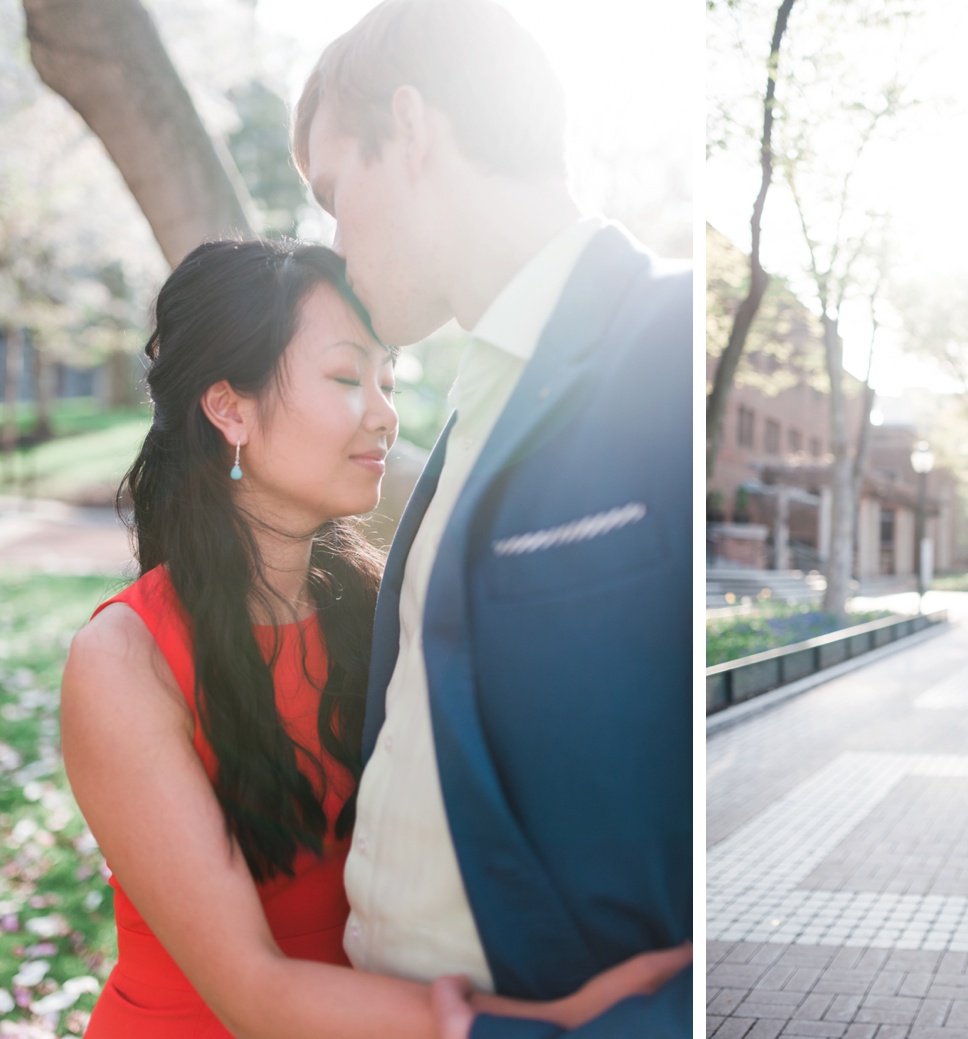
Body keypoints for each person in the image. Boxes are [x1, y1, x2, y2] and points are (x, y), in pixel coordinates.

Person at [61, 239, 686, 1038]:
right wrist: (550, 1021)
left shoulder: (382, 603)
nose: (385, 414)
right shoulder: (123, 659)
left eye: (388, 381)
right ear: (230, 408)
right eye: (346, 377)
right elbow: (253, 992)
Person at [290, 1, 692, 1035]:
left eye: (335, 192)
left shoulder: (666, 337)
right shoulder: (472, 397)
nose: (334, 242)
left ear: (412, 131)